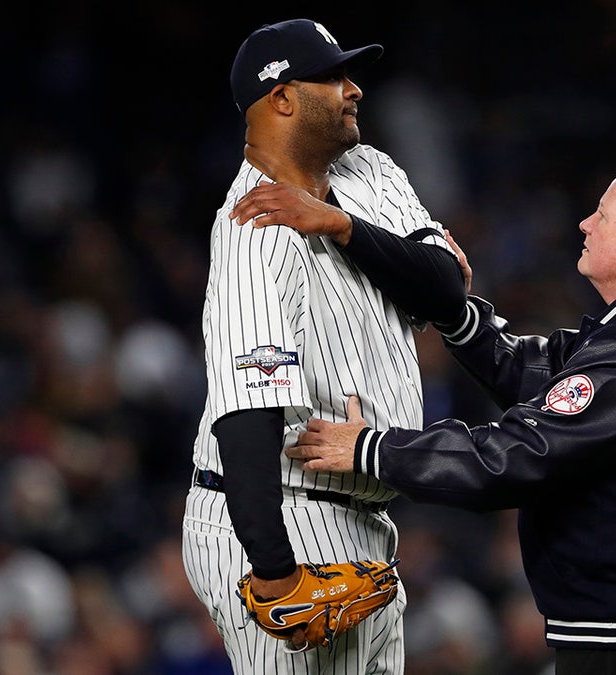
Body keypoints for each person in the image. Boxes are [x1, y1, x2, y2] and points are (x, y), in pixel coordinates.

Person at [285, 168, 616, 675]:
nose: (585, 224)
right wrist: (454, 313)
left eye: (603, 216)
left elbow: (513, 458)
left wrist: (373, 450)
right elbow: (544, 373)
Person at [180, 18, 466, 674]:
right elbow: (245, 410)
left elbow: (447, 289)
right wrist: (276, 572)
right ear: (280, 98)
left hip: (362, 512)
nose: (354, 88)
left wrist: (341, 225)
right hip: (284, 508)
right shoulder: (255, 229)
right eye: (332, 76)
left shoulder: (370, 168)